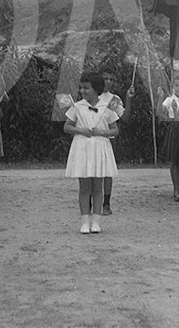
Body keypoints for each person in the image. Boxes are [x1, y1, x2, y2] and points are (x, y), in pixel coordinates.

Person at [64, 72, 120, 234]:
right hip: (82, 148)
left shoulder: (106, 108)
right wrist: (80, 130)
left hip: (100, 148)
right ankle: (84, 221)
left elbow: (115, 130)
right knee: (84, 187)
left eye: (86, 88)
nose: (83, 91)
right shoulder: (77, 107)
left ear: (96, 89)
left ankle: (96, 221)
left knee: (98, 187)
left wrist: (101, 132)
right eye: (81, 88)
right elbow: (67, 127)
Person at [98, 68, 133, 216]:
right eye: (106, 79)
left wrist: (128, 98)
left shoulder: (114, 99)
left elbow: (124, 118)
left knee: (107, 173)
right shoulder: (91, 96)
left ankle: (106, 203)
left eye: (112, 79)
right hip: (91, 138)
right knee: (93, 172)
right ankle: (93, 201)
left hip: (108, 139)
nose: (109, 82)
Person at [160, 75, 179, 201]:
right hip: (176, 129)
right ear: (173, 87)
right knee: (175, 161)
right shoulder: (169, 99)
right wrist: (159, 98)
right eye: (176, 85)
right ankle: (177, 189)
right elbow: (159, 111)